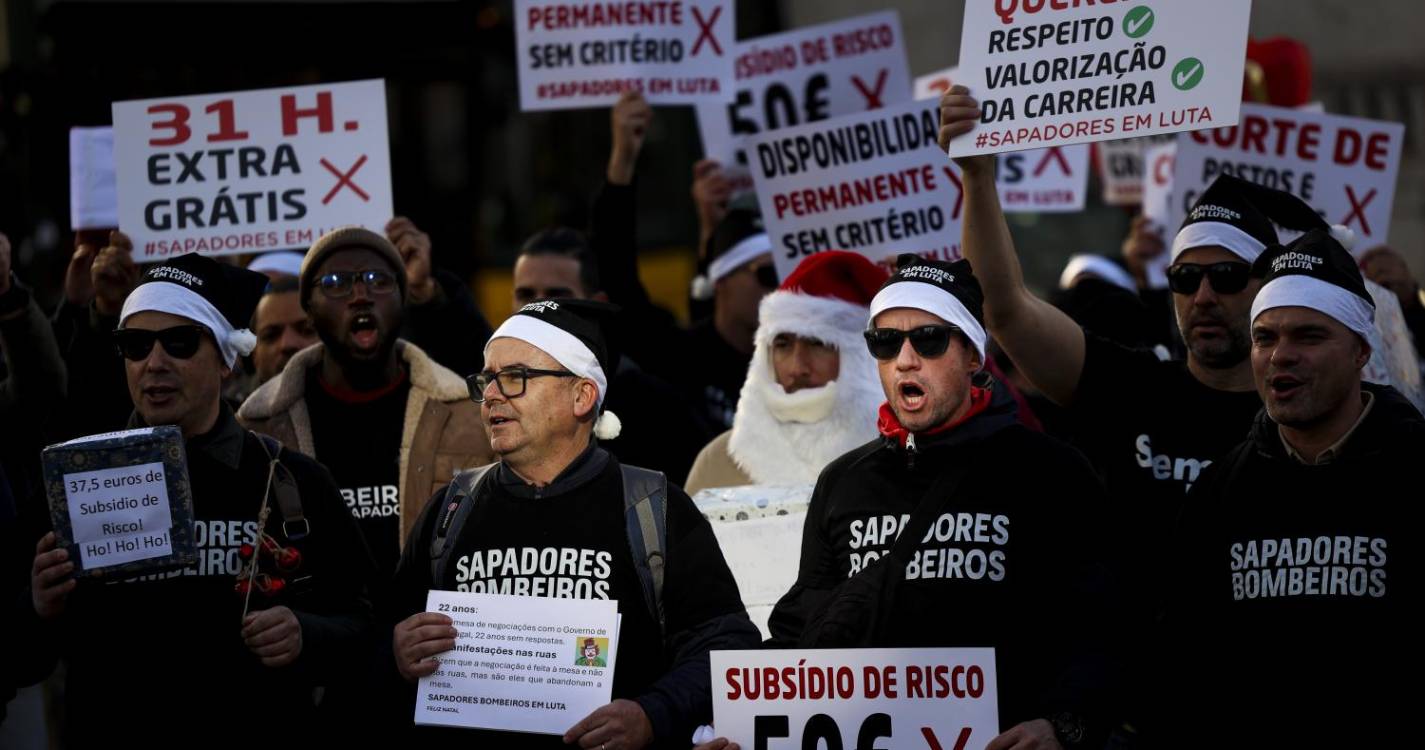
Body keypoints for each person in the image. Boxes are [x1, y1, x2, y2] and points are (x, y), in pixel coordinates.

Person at [19, 253, 374, 743]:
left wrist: (306, 634)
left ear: (226, 361)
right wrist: (39, 607)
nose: (154, 363)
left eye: (180, 342)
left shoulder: (292, 479)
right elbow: (21, 663)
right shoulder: (76, 481)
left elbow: (368, 628)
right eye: (135, 345)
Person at [767, 257, 1113, 749]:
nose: (905, 359)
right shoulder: (844, 481)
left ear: (972, 354)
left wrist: (1063, 726)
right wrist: (734, 722)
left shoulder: (1050, 471)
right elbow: (802, 632)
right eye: (886, 342)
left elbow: (1100, 627)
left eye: (929, 340)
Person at [389, 298, 760, 747]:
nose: (491, 395)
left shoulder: (653, 508)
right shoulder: (451, 509)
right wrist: (397, 650)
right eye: (487, 379)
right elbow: (380, 639)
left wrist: (651, 714)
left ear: (582, 396)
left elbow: (727, 643)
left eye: (515, 377)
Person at [1159, 229, 1422, 747]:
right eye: (1265, 338)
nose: (1281, 356)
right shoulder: (1220, 491)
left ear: (1360, 351)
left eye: (1308, 336)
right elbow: (1185, 661)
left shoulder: (1413, 471)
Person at [238, 227, 493, 584]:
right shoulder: (258, 426)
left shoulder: (467, 415)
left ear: (403, 298)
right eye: (336, 283)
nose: (360, 296)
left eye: (378, 280)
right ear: (309, 308)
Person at [591, 92, 772, 436]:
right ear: (721, 279)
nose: (778, 288)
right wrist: (623, 162)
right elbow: (618, 281)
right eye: (767, 273)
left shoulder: (802, 363)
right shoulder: (681, 359)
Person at [512, 227, 706, 484]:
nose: (538, 308)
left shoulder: (654, 407)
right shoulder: (490, 395)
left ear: (597, 304)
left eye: (557, 295)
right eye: (525, 295)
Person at [685, 251, 888, 493]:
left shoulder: (906, 462)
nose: (797, 368)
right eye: (782, 345)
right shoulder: (717, 465)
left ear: (862, 359)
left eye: (818, 343)